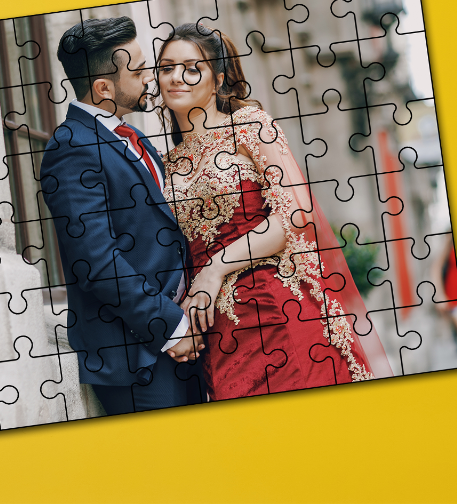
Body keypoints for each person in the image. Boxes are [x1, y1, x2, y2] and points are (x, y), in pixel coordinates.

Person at [156, 23, 392, 400]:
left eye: (191, 67)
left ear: (217, 80)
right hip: (216, 332)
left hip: (279, 307)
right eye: (166, 68)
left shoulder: (251, 127)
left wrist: (216, 268)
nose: (176, 78)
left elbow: (295, 215)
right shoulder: (162, 166)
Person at [40, 17, 205, 416]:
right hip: (137, 360)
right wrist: (170, 326)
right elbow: (96, 261)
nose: (148, 77)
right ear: (103, 88)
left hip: (182, 343)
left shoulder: (134, 138)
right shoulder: (70, 148)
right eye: (137, 70)